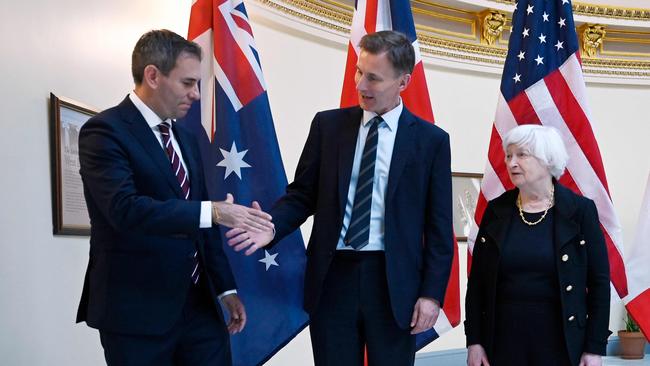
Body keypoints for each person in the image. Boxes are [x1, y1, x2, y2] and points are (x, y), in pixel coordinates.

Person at [225, 30, 454, 366]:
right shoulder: (328, 126)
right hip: (334, 279)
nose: (361, 85)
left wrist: (432, 294)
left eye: (374, 78)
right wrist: (272, 228)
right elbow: (302, 195)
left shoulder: (431, 141)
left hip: (394, 285)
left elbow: (438, 227)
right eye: (359, 72)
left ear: (403, 82)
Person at [76, 29, 274, 366]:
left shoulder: (184, 137)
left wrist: (225, 289)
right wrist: (213, 212)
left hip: (200, 308)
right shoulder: (104, 131)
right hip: (137, 313)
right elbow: (125, 210)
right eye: (187, 83)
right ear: (152, 75)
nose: (196, 94)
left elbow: (205, 221)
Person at [465, 125, 611, 366]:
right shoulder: (497, 210)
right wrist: (474, 341)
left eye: (521, 155)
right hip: (501, 341)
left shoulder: (580, 211)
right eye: (509, 155)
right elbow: (478, 282)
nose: (511, 163)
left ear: (547, 160)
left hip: (561, 341)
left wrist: (594, 348)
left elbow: (598, 282)